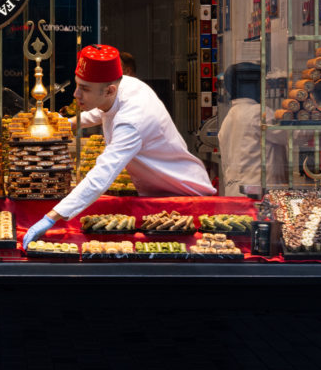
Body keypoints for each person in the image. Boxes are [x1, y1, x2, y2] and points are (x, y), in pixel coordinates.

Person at [22, 44, 216, 248]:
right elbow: (104, 110)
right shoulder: (124, 87)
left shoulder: (133, 119)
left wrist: (51, 217)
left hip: (185, 197)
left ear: (110, 89)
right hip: (156, 194)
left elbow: (102, 174)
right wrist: (67, 123)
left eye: (85, 89)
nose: (76, 95)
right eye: (78, 85)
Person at [218, 62, 287, 196]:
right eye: (262, 83)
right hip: (257, 195)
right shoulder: (259, 113)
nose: (265, 88)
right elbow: (292, 135)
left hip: (234, 193)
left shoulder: (230, 117)